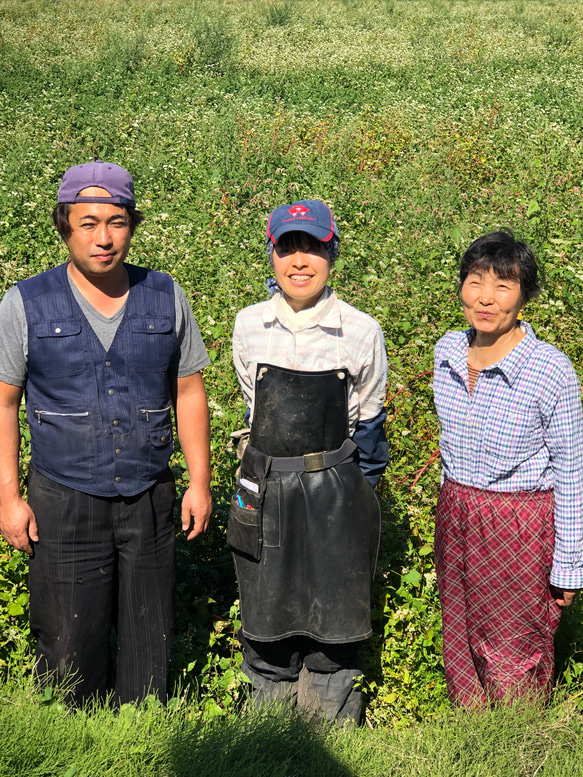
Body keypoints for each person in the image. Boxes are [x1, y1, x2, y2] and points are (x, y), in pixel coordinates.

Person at [0, 160, 212, 705]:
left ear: (132, 226)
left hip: (148, 494)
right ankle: (71, 743)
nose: (103, 237)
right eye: (88, 222)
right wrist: (8, 497)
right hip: (62, 497)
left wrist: (199, 482)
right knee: (69, 646)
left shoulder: (164, 294)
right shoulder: (24, 303)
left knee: (150, 643)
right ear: (64, 224)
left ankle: (144, 744)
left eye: (116, 222)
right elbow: (3, 403)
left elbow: (188, 391)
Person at [229, 199, 388, 725]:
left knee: (334, 621)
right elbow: (252, 410)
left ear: (332, 253)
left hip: (335, 488)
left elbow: (369, 428)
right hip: (263, 483)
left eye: (313, 247)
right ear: (272, 256)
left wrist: (354, 502)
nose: (300, 261)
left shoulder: (361, 330)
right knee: (266, 613)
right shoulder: (249, 324)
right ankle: (268, 731)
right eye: (288, 248)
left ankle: (330, 729)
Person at [433, 230, 583, 706]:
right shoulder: (448, 353)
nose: (486, 298)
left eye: (504, 285)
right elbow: (448, 447)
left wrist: (569, 564)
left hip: (519, 524)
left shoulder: (549, 370)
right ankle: (471, 733)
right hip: (456, 512)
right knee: (458, 634)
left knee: (514, 647)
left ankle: (516, 739)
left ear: (524, 296)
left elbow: (573, 472)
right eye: (476, 281)